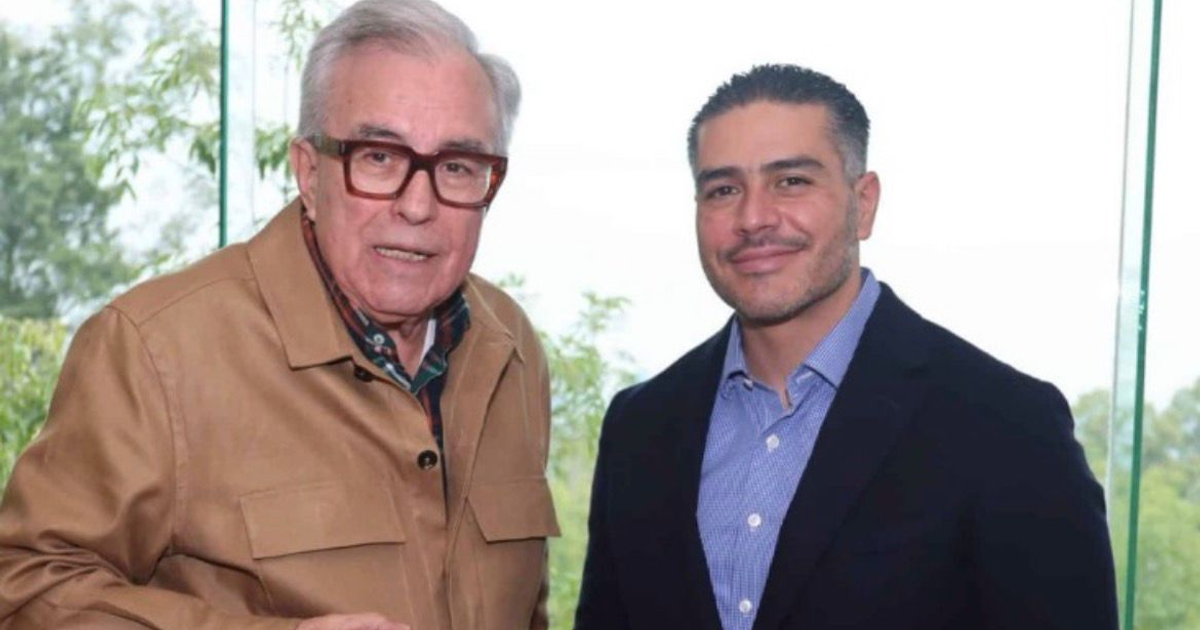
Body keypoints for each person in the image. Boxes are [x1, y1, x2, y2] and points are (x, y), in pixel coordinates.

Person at [0, 1, 558, 629]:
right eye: (378, 156)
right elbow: (24, 591)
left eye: (457, 166)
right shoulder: (155, 350)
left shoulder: (511, 348)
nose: (418, 204)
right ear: (309, 172)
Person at [574, 64, 1117, 630]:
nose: (753, 218)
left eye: (792, 181)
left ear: (865, 203)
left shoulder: (1008, 426)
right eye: (724, 189)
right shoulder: (640, 427)